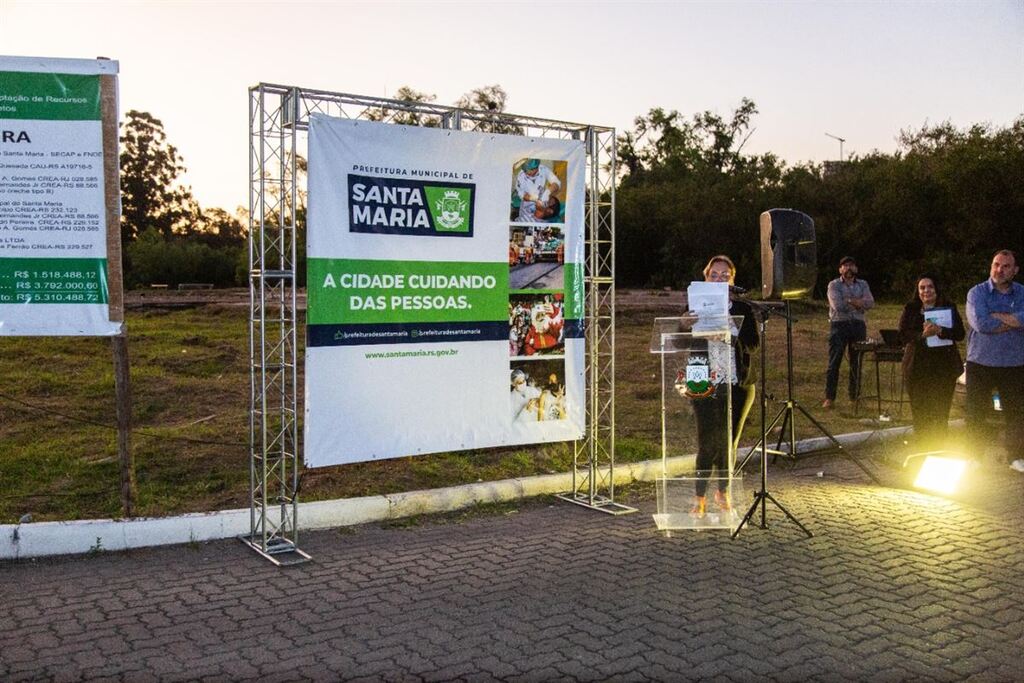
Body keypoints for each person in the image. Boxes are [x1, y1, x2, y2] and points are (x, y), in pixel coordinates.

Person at [685, 255, 759, 517]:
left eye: (725, 275)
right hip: (702, 379)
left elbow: (753, 344)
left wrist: (732, 330)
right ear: (705, 278)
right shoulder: (693, 306)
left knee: (729, 440)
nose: (719, 279)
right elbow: (678, 342)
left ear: (732, 280)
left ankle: (723, 491)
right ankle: (700, 496)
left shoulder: (743, 309)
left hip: (737, 382)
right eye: (714, 275)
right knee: (707, 440)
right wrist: (684, 324)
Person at [965, 250, 1024, 471]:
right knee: (976, 412)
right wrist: (1014, 321)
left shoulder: (1022, 293)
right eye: (996, 264)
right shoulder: (976, 293)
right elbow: (981, 324)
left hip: (1014, 363)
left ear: (1015, 270)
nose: (1000, 270)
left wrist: (996, 316)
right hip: (980, 362)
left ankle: (1015, 457)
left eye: (1006, 266)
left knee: (1015, 413)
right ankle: (974, 457)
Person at [897, 275, 966, 450]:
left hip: (943, 368)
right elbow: (903, 334)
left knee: (940, 413)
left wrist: (941, 330)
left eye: (930, 287)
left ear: (936, 289)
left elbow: (960, 333)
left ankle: (939, 448)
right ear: (918, 291)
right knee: (921, 413)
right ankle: (923, 449)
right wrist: (922, 335)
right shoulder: (911, 308)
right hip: (917, 368)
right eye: (922, 288)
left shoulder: (949, 307)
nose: (926, 291)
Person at [823, 256, 874, 409]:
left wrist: (849, 300)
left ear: (856, 268)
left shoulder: (863, 284)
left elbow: (870, 303)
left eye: (851, 265)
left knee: (856, 363)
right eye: (845, 266)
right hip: (839, 325)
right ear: (840, 269)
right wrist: (857, 302)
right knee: (834, 362)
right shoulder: (834, 285)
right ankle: (829, 398)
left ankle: (855, 397)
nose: (848, 268)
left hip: (858, 326)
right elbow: (838, 306)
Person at [515, 159, 561, 223]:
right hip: (527, 205)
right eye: (526, 171)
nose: (528, 173)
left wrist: (547, 192)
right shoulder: (521, 175)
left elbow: (556, 182)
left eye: (531, 170)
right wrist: (531, 198)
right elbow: (521, 194)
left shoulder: (543, 169)